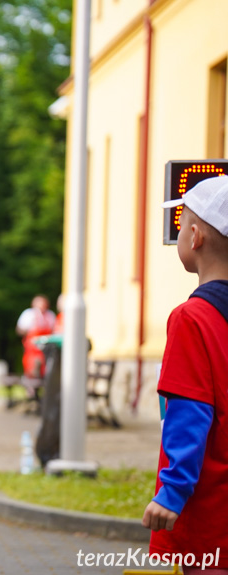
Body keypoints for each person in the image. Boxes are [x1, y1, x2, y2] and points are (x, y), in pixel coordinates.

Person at [142, 176, 228, 573]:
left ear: (194, 237)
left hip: (212, 514)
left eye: (180, 226)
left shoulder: (192, 319)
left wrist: (172, 493)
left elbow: (190, 413)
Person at [15, 294, 56, 379]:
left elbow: (54, 331)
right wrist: (30, 329)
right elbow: (19, 330)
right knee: (31, 365)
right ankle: (31, 386)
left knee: (47, 366)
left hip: (47, 347)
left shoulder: (50, 315)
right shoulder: (29, 314)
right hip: (32, 347)